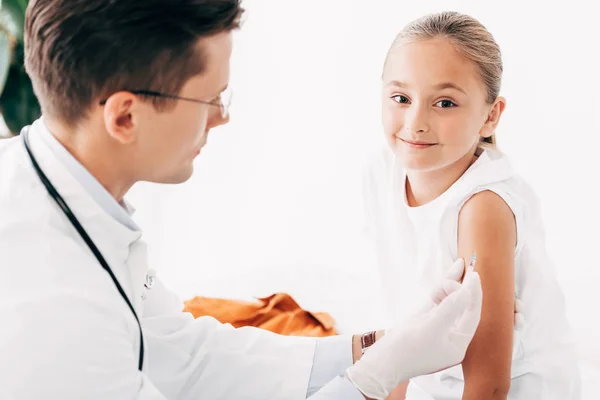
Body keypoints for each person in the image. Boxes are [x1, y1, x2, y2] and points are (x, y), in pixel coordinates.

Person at [0, 1, 484, 399]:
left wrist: (374, 346)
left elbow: (184, 353)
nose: (221, 118)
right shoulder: (55, 311)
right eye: (211, 99)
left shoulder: (75, 199)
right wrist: (376, 376)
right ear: (125, 117)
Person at [362, 11, 581, 399]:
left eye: (444, 103)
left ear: (490, 116)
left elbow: (488, 384)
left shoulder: (483, 209)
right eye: (401, 98)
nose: (415, 122)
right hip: (435, 379)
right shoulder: (383, 171)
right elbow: (404, 310)